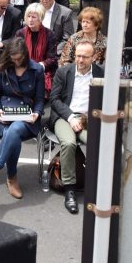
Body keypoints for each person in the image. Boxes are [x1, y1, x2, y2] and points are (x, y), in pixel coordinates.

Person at [0, 38, 45, 200]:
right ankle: (12, 178)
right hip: (4, 113)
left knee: (15, 130)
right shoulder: (3, 68)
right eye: (13, 58)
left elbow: (40, 99)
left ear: (25, 54)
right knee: (12, 134)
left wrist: (37, 114)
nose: (16, 61)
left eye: (19, 58)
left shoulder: (36, 69)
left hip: (27, 116)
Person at [48, 39, 104, 213]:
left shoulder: (100, 74)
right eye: (78, 56)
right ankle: (69, 189)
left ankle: (96, 185)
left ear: (93, 57)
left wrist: (86, 118)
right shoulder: (64, 72)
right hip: (65, 117)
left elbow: (104, 101)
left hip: (88, 118)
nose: (80, 60)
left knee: (97, 143)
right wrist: (71, 117)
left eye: (85, 57)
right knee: (69, 143)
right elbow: (54, 99)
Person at [16, 3, 59, 92]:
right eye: (28, 16)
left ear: (41, 18)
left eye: (34, 17)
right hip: (24, 67)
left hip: (43, 70)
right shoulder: (20, 33)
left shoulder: (50, 34)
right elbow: (17, 54)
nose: (30, 20)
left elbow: (52, 59)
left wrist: (37, 66)